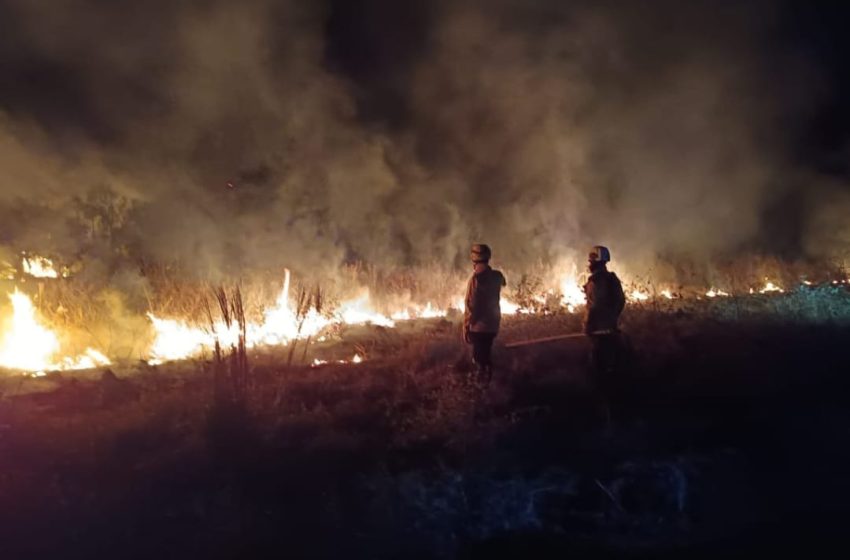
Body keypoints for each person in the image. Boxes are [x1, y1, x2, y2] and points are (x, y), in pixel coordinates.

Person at [582, 245, 627, 395]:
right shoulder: (612, 279)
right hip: (612, 330)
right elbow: (621, 301)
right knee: (613, 365)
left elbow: (594, 306)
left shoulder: (595, 281)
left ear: (595, 262)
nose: (589, 264)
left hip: (598, 334)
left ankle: (602, 400)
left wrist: (587, 325)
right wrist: (612, 318)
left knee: (597, 369)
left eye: (590, 261)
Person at [463, 243, 506, 382]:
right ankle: (490, 383)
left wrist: (467, 326)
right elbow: (502, 282)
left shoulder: (475, 280)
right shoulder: (497, 276)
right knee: (486, 355)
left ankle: (482, 385)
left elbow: (472, 305)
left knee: (479, 360)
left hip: (478, 327)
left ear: (473, 258)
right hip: (493, 325)